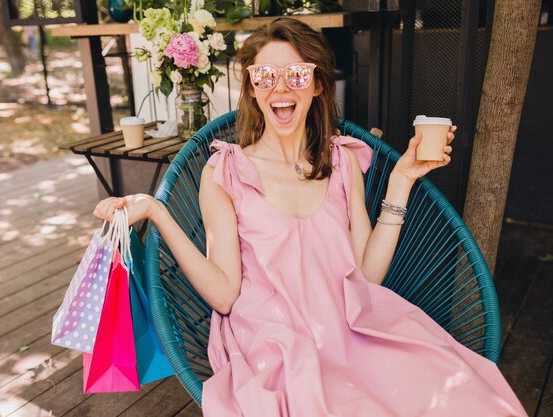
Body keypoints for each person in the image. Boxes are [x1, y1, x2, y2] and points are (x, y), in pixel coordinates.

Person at [93, 17, 527, 417]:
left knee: (461, 394)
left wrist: (402, 180)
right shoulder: (225, 172)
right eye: (265, 76)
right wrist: (157, 212)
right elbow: (225, 296)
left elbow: (367, 277)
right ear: (252, 88)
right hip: (276, 344)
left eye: (297, 74)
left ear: (317, 84)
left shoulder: (341, 162)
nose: (281, 88)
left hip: (354, 329)